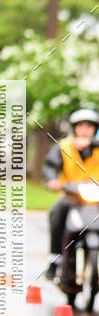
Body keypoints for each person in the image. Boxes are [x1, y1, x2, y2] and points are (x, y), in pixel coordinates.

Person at [43, 107, 99, 280]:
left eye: (89, 127)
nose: (84, 130)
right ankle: (54, 261)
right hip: (71, 196)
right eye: (81, 126)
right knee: (56, 214)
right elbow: (51, 166)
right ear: (74, 128)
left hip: (96, 197)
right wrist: (52, 180)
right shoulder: (63, 145)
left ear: (94, 129)